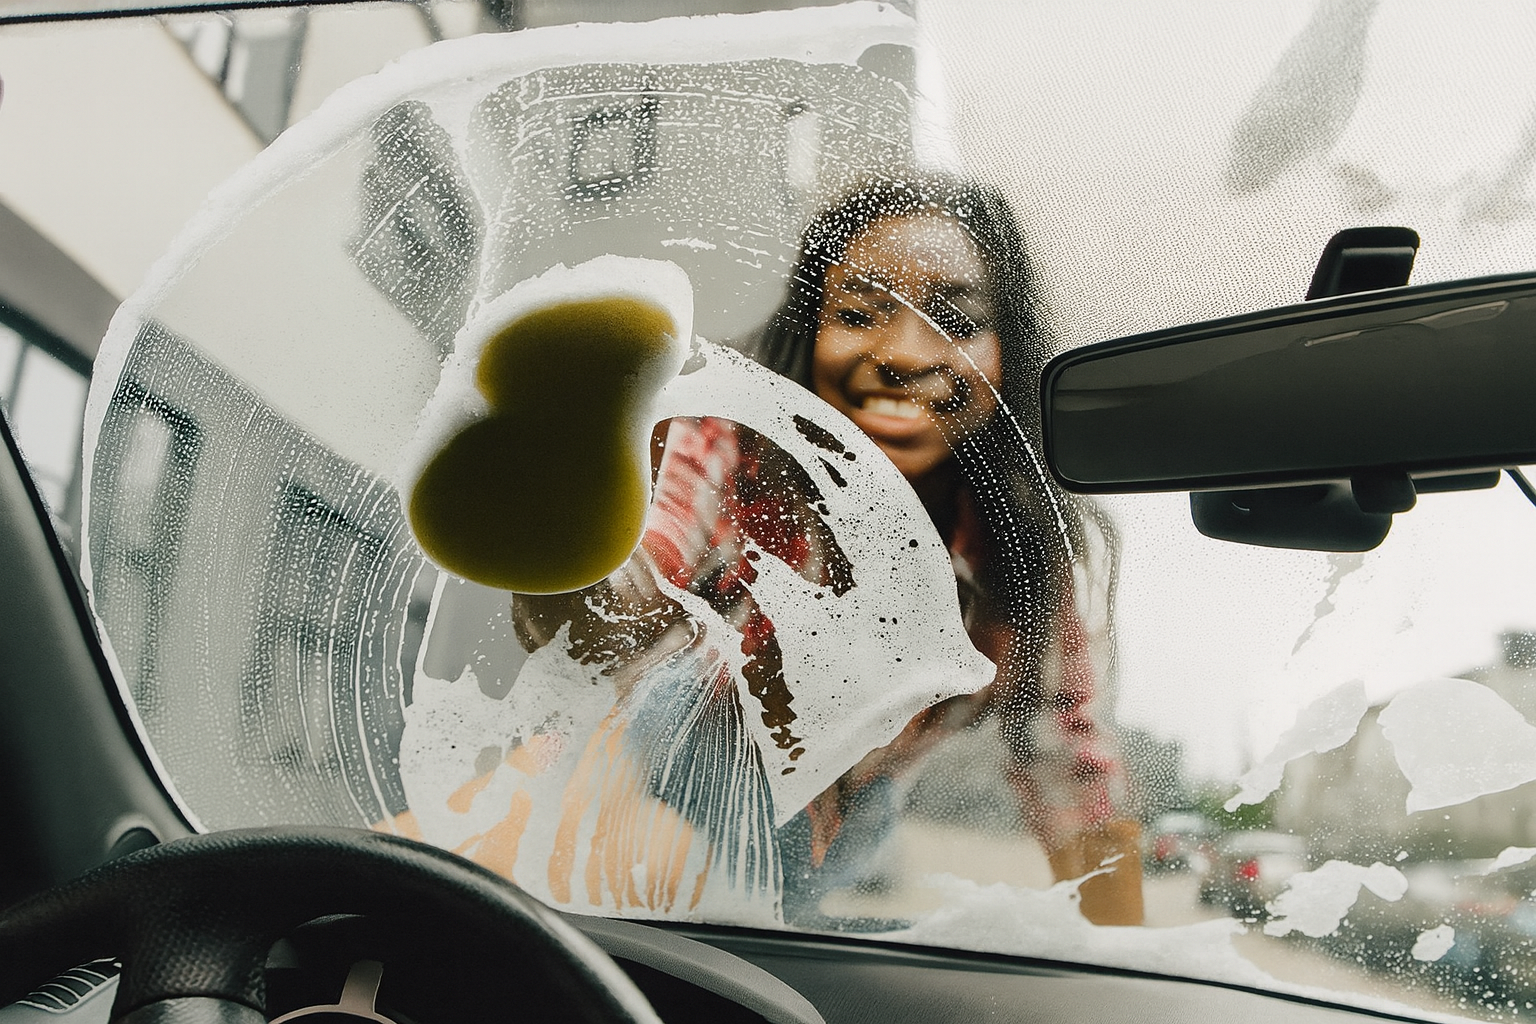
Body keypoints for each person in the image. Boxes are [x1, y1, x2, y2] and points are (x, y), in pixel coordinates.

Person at [505, 174, 1142, 926]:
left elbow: (1067, 759)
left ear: (1009, 352)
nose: (903, 353)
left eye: (955, 319)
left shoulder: (1026, 548)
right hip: (647, 776)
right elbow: (626, 597)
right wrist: (563, 524)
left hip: (836, 828)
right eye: (859, 313)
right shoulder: (727, 437)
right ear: (809, 335)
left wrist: (1125, 954)